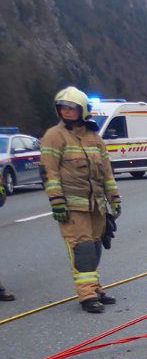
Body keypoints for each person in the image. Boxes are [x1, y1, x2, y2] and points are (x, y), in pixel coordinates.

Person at [39, 86, 122, 314]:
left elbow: (107, 172)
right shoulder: (54, 136)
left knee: (95, 246)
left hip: (96, 205)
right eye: (63, 108)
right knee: (83, 248)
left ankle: (95, 288)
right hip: (72, 206)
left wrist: (113, 199)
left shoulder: (94, 138)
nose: (66, 111)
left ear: (82, 110)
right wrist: (56, 201)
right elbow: (49, 172)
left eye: (71, 108)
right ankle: (87, 295)